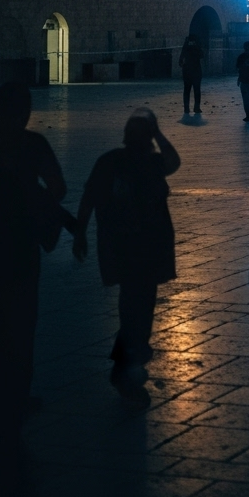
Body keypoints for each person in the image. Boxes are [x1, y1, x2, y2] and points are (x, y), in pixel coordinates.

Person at [74, 109, 180, 406]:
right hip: (144, 250)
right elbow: (173, 161)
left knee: (133, 307)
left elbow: (88, 198)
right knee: (138, 312)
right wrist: (158, 133)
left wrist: (80, 233)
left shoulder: (110, 161)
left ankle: (126, 366)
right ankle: (127, 370)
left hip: (122, 247)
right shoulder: (150, 162)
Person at [0, 82, 69, 490]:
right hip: (21, 250)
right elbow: (57, 187)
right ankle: (16, 399)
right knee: (21, 329)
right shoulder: (33, 145)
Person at [178, 34, 204, 114]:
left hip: (187, 71)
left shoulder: (186, 47)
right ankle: (196, 107)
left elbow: (180, 61)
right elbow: (201, 55)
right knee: (197, 90)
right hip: (196, 71)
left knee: (187, 90)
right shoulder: (197, 47)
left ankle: (186, 108)